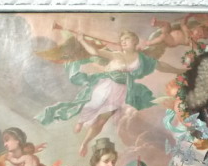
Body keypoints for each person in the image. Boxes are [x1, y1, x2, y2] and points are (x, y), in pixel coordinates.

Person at [37, 30, 183, 156]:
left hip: (120, 91)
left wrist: (178, 70)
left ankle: (85, 143)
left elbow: (160, 65)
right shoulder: (116, 55)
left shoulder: (142, 59)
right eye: (121, 40)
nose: (123, 42)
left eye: (126, 39)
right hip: (106, 85)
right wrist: (82, 40)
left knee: (101, 121)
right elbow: (95, 52)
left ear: (135, 41)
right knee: (93, 105)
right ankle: (81, 121)